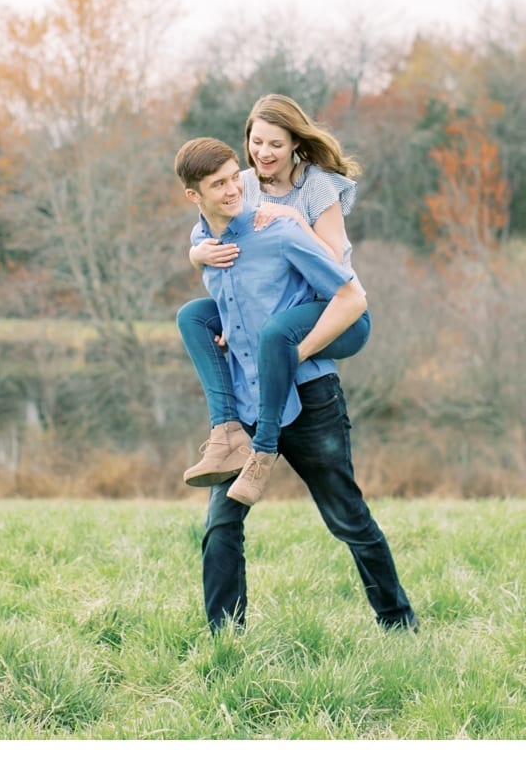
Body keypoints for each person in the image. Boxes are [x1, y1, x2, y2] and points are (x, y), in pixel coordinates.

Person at [173, 136, 417, 633]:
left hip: (309, 399)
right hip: (248, 404)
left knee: (348, 519)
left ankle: (399, 624)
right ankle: (225, 639)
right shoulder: (208, 245)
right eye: (216, 185)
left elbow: (348, 296)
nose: (231, 190)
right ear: (193, 196)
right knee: (221, 524)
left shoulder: (279, 232)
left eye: (231, 178)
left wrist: (293, 346)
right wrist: (199, 259)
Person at [178, 94, 370, 497]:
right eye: (256, 141)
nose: (263, 152)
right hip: (278, 307)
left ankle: (262, 453)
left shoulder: (317, 187)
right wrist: (196, 255)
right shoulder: (241, 184)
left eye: (276, 144)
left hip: (334, 310)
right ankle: (225, 431)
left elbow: (332, 264)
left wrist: (294, 217)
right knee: (195, 316)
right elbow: (220, 235)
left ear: (295, 144)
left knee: (276, 334)